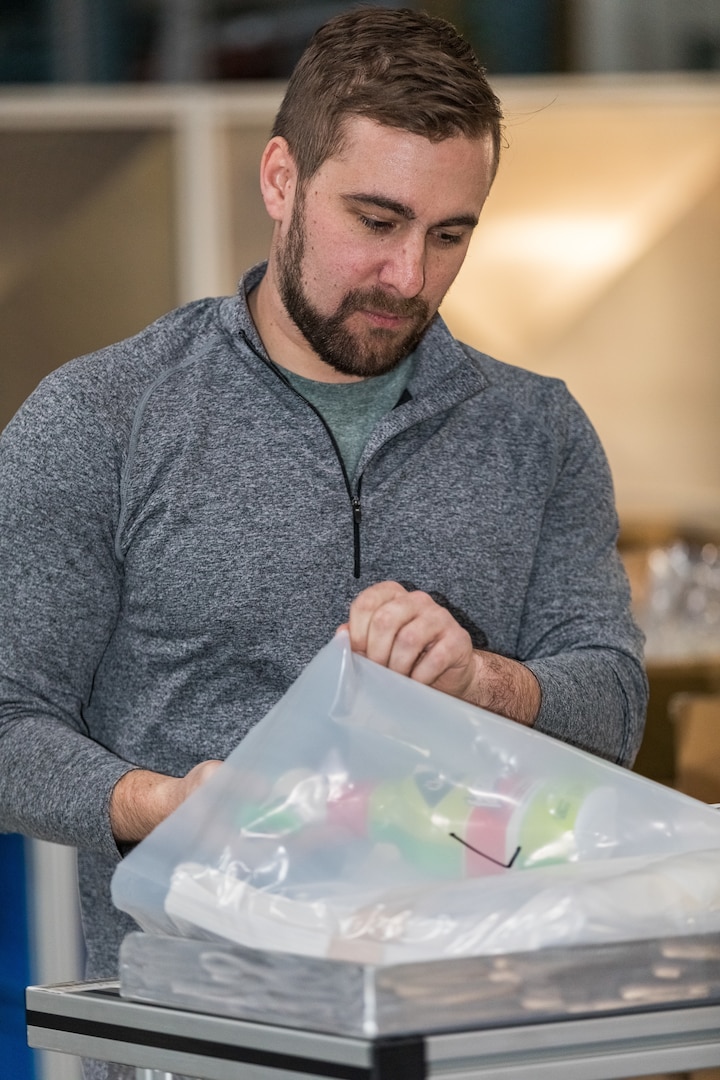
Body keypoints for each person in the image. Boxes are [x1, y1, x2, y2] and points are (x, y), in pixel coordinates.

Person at [0, 0, 646, 1054]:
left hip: (481, 1033)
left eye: (450, 236)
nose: (409, 278)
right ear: (280, 180)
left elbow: (613, 706)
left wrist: (487, 685)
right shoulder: (99, 419)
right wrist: (159, 802)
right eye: (377, 221)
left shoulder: (538, 430)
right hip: (195, 1040)